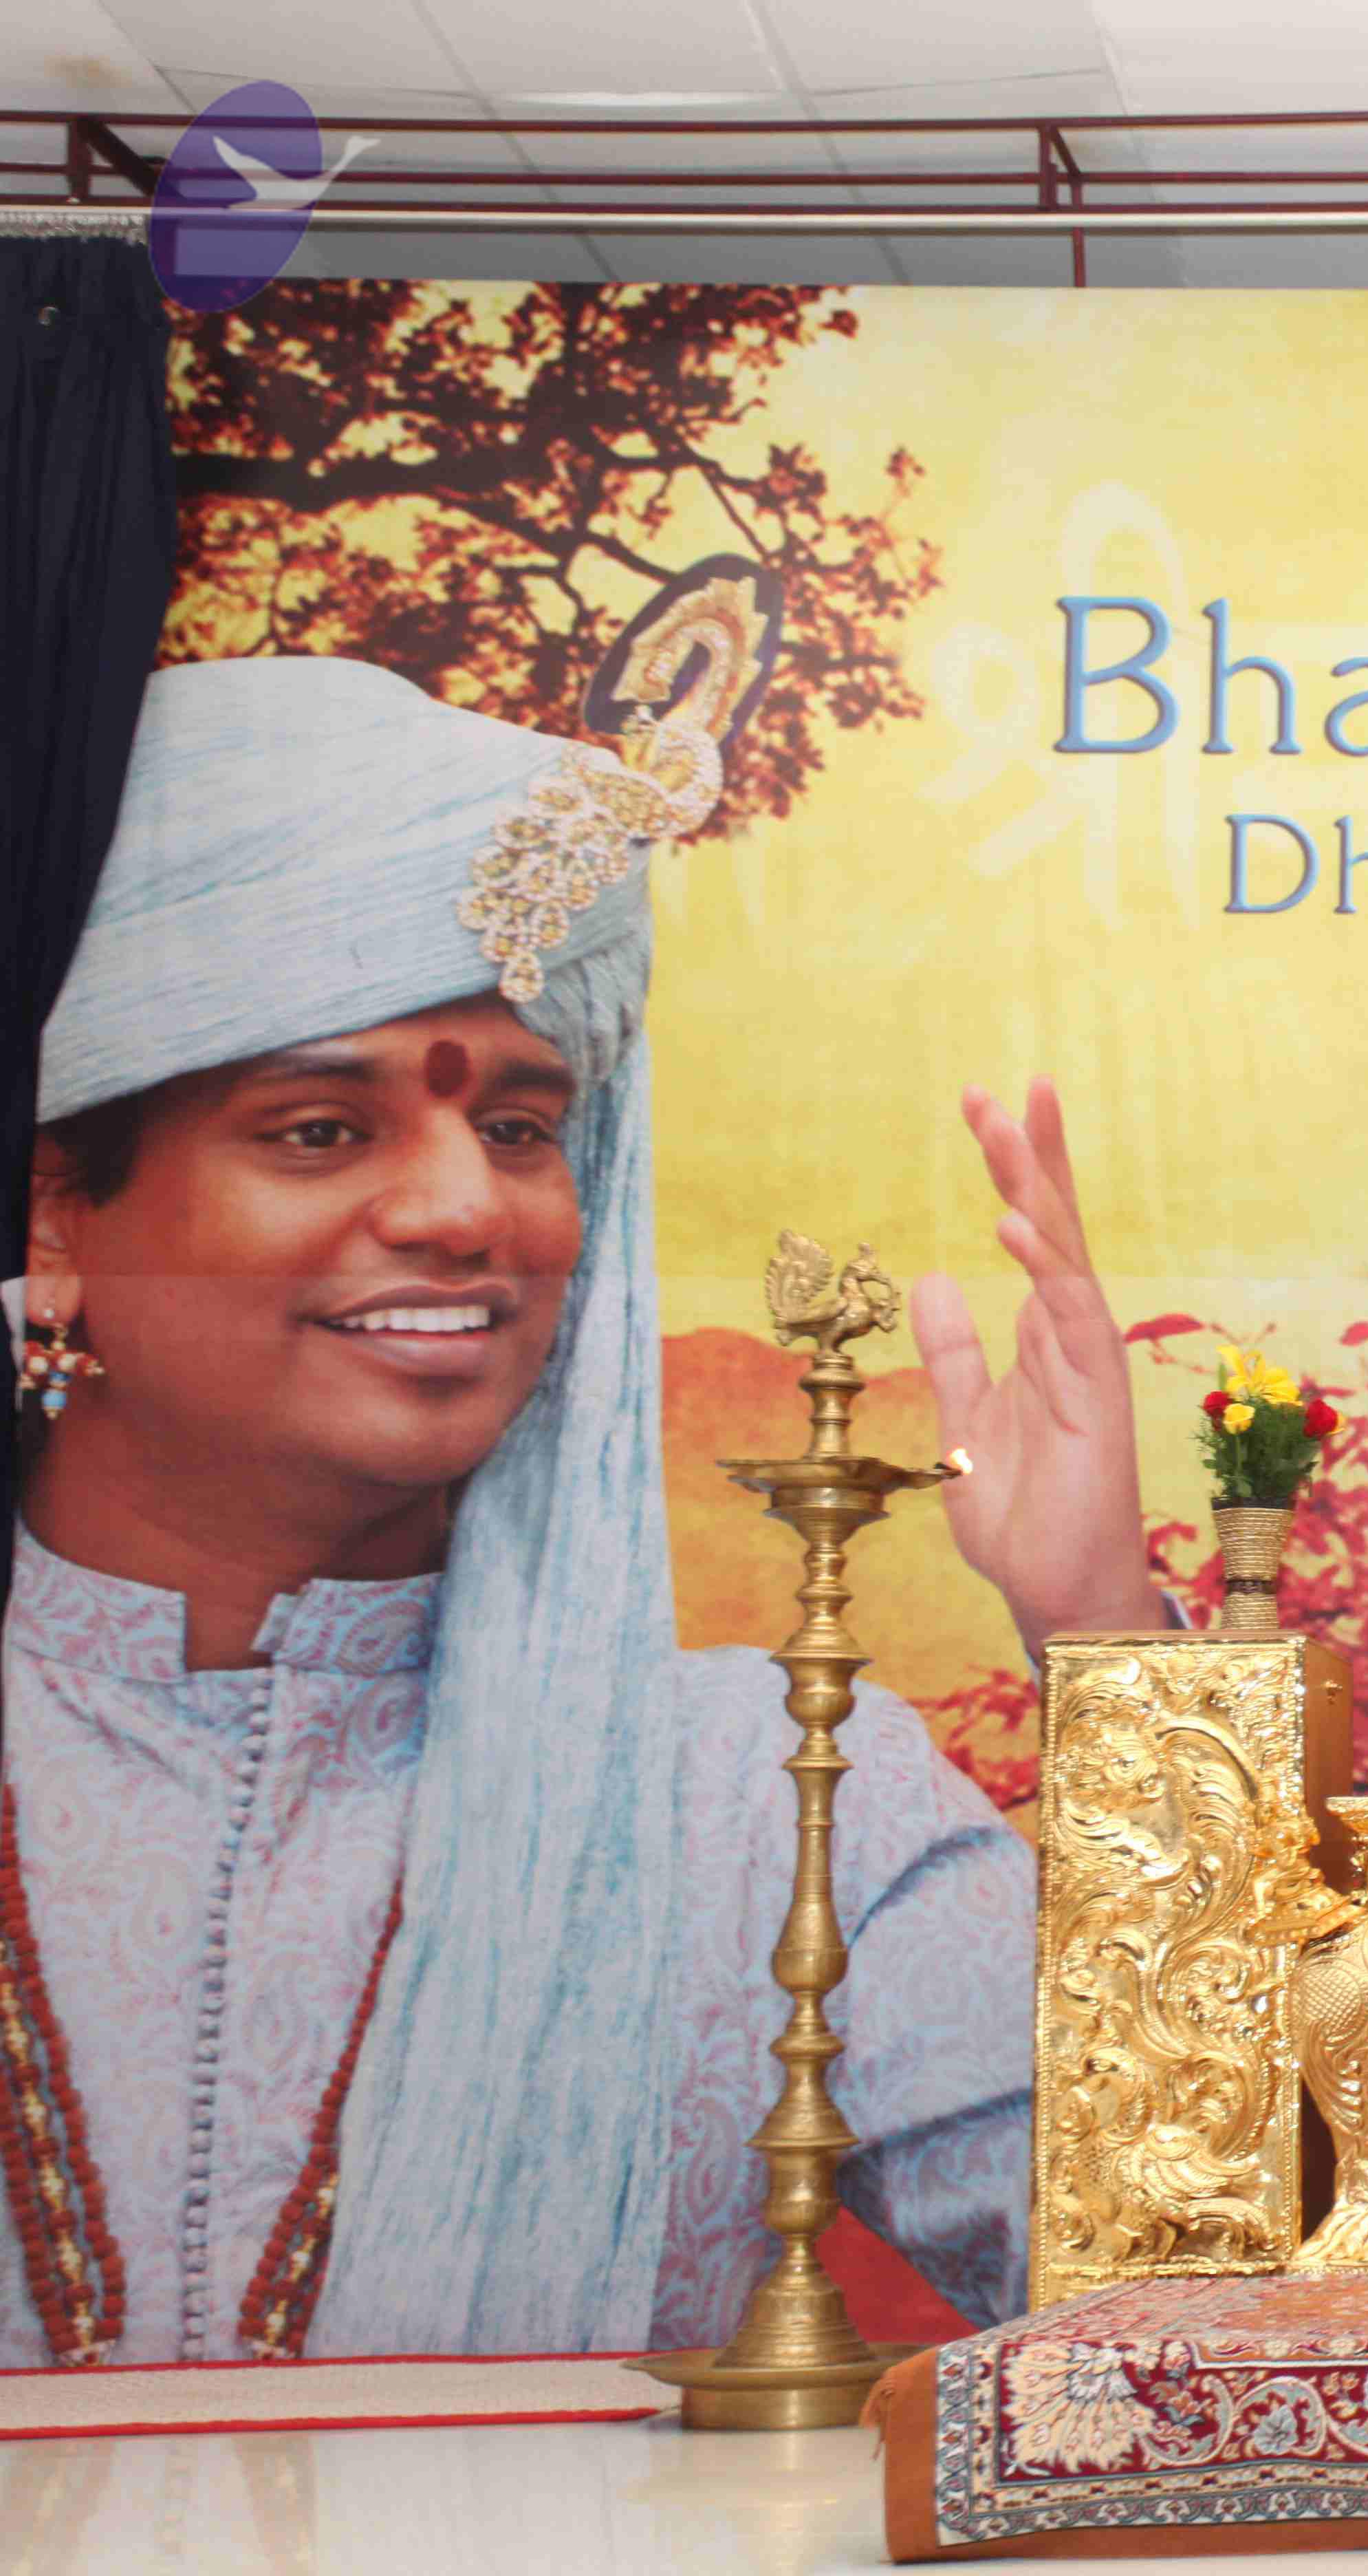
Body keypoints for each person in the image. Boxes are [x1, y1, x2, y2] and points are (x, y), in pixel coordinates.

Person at [3, 608, 1157, 2367]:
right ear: (55, 1215)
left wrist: (1117, 1654)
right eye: (320, 1128)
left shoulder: (767, 1798)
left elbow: (1192, 2321)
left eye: (523, 1126)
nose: (467, 1208)